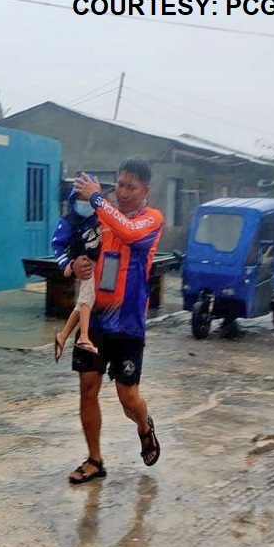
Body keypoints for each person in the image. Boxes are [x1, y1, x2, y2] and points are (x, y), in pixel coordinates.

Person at [66, 158, 164, 484]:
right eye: (119, 184)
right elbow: (80, 244)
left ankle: (143, 425)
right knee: (87, 387)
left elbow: (128, 231)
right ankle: (94, 460)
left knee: (127, 396)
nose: (122, 192)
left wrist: (98, 198)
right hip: (95, 319)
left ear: (145, 191)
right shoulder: (104, 217)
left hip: (128, 325)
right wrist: (74, 265)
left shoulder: (151, 220)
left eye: (130, 187)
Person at [51, 186, 103, 361]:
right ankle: (84, 337)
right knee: (87, 298)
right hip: (85, 263)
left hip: (97, 264)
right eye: (80, 197)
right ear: (73, 199)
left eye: (88, 198)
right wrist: (67, 264)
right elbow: (57, 245)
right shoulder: (68, 221)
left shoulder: (98, 217)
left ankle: (63, 335)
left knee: (82, 303)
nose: (85, 202)